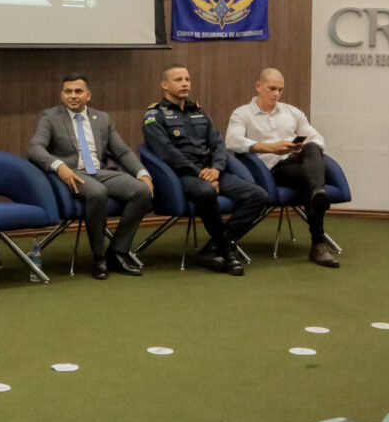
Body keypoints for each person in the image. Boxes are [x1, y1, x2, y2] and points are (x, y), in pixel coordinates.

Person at [142, 65, 268, 276]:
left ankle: (214, 247)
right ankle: (227, 251)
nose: (185, 84)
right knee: (206, 191)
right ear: (164, 85)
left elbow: (218, 145)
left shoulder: (199, 112)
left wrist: (216, 170)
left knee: (258, 196)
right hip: (181, 176)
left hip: (212, 171)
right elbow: (166, 153)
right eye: (178, 80)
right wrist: (201, 174)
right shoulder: (154, 115)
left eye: (187, 79)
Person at [28, 74, 154, 279]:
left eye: (78, 91)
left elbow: (122, 151)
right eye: (68, 92)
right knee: (98, 193)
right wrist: (59, 166)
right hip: (72, 173)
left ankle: (117, 251)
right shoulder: (50, 117)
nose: (73, 96)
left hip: (100, 171)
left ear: (88, 95)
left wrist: (143, 173)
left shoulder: (102, 118)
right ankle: (99, 257)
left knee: (142, 191)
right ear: (62, 96)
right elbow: (35, 148)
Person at [226, 68, 339, 268]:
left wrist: (302, 146)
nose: (276, 94)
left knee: (312, 147)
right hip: (271, 169)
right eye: (272, 89)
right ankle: (318, 244)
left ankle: (318, 193)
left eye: (280, 90)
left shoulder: (291, 112)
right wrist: (269, 147)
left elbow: (318, 138)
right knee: (309, 181)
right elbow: (232, 141)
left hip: (297, 162)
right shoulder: (242, 113)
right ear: (259, 86)